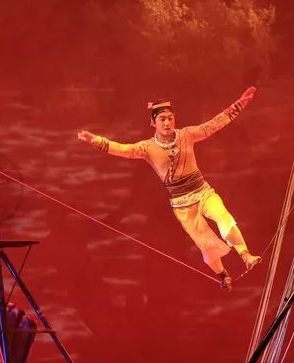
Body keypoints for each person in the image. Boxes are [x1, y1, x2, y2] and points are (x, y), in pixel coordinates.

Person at [77, 86, 261, 291]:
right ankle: (222, 274)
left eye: (170, 118)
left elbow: (213, 125)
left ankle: (246, 255)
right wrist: (97, 141)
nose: (167, 123)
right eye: (162, 119)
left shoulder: (187, 135)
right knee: (206, 245)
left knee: (223, 216)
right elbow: (124, 150)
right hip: (182, 204)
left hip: (203, 191)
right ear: (153, 123)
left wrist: (239, 105)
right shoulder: (147, 148)